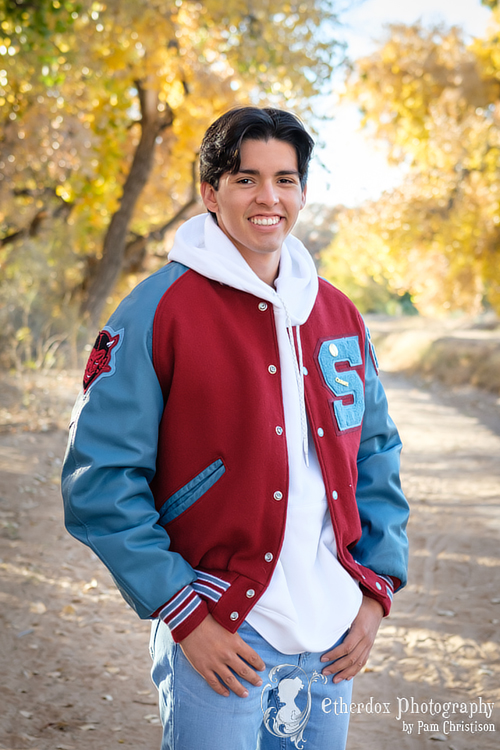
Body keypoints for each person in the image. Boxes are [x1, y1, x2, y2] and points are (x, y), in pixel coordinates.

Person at [62, 106, 409, 750]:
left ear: (303, 192)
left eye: (285, 179)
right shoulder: (158, 310)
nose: (267, 197)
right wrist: (186, 617)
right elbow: (99, 482)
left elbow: (376, 453)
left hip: (333, 630)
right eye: (246, 178)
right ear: (210, 191)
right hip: (224, 624)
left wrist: (374, 591)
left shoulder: (337, 314)